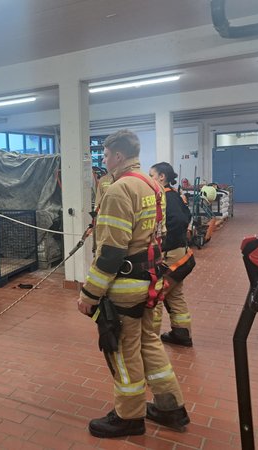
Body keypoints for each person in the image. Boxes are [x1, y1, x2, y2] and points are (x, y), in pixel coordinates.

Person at [77, 130, 189, 438]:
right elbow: (158, 235)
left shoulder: (119, 190)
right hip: (151, 282)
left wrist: (89, 294)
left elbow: (111, 252)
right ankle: (170, 407)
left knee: (123, 352)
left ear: (118, 155)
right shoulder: (153, 185)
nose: (103, 160)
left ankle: (128, 416)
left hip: (125, 288)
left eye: (105, 155)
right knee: (149, 343)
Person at [149, 162, 193, 347]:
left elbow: (180, 220)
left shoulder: (167, 197)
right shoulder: (174, 194)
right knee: (174, 294)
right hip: (180, 252)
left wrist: (164, 243)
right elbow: (187, 216)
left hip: (171, 254)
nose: (149, 179)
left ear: (162, 177)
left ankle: (150, 339)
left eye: (151, 175)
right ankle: (181, 333)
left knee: (157, 293)